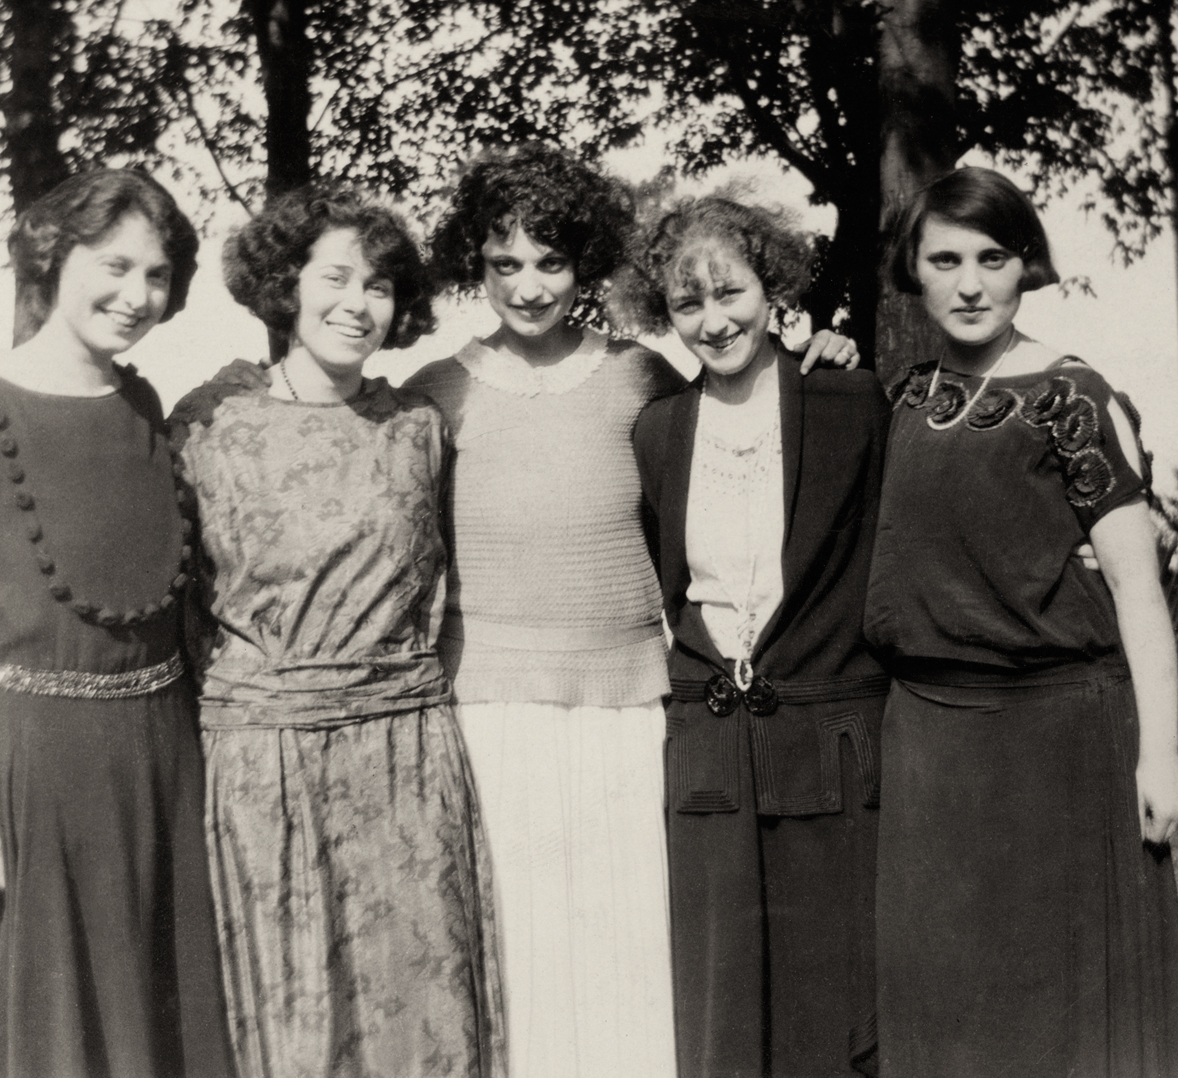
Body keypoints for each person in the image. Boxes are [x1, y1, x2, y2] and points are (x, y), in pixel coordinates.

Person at [405, 144, 858, 1078]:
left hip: (626, 706)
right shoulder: (434, 394)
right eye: (505, 265)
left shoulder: (642, 377)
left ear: (588, 262)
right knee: (520, 945)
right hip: (491, 710)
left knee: (627, 945)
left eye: (552, 262)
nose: (529, 287)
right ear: (474, 266)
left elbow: (742, 445)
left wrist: (824, 351)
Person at [0, 169, 232, 1078]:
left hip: (158, 763)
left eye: (158, 276)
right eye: (114, 265)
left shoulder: (145, 411)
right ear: (55, 255)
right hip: (29, 773)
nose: (137, 296)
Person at [167, 184, 504, 1078]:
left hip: (406, 761)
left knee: (422, 1018)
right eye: (338, 278)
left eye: (383, 287)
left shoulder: (420, 428)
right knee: (294, 1022)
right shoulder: (208, 427)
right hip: (267, 766)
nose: (359, 304)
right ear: (286, 283)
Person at [866, 165, 1178, 1077]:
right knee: (944, 999)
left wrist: (1160, 753)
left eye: (993, 257)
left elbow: (1136, 589)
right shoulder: (900, 398)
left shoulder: (1073, 396)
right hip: (928, 745)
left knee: (1059, 1005)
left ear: (1025, 267)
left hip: (1058, 741)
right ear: (913, 270)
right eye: (945, 259)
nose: (969, 283)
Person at [619, 195, 888, 1078]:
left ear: (772, 288)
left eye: (729, 292)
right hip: (708, 754)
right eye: (687, 303)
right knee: (721, 1007)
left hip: (824, 744)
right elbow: (672, 585)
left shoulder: (848, 401)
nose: (713, 319)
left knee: (830, 1001)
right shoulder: (659, 431)